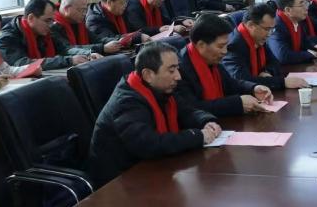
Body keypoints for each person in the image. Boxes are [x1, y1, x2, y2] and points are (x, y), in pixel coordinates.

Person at [88, 42, 221, 188]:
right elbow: (149, 144)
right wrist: (198, 136)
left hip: (150, 169)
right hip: (119, 183)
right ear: (148, 75)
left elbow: (187, 111)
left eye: (177, 69)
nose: (178, 77)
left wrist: (206, 121)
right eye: (171, 70)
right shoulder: (127, 102)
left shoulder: (160, 88)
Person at [175, 15, 273, 118]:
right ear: (201, 45)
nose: (225, 51)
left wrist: (253, 88)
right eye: (220, 46)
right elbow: (193, 107)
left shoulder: (210, 58)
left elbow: (230, 83)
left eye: (226, 45)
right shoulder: (179, 69)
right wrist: (237, 103)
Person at [221, 3, 306, 91]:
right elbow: (244, 81)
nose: (269, 34)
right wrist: (283, 82)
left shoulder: (258, 37)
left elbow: (275, 63)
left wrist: (266, 71)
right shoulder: (233, 46)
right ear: (250, 25)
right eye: (267, 29)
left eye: (272, 29)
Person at [0, 0, 96, 71]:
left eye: (52, 20)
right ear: (31, 18)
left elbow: (65, 49)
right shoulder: (6, 38)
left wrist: (87, 54)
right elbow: (22, 63)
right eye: (47, 20)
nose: (51, 25)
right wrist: (69, 60)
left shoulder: (45, 31)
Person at [52, 0, 122, 56]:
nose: (84, 14)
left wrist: (118, 40)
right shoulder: (53, 25)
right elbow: (68, 49)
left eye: (85, 10)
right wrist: (102, 48)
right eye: (81, 10)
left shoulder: (78, 22)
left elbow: (97, 39)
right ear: (67, 9)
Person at [269, 0, 317, 65]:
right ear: (288, 10)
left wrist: (313, 47)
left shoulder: (296, 20)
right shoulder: (276, 26)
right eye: (301, 4)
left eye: (306, 3)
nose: (306, 8)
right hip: (282, 70)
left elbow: (303, 41)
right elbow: (283, 56)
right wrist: (310, 54)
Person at [125, 0, 192, 37]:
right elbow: (141, 30)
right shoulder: (134, 8)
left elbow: (166, 22)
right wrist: (160, 29)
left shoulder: (156, 7)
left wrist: (182, 22)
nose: (162, 0)